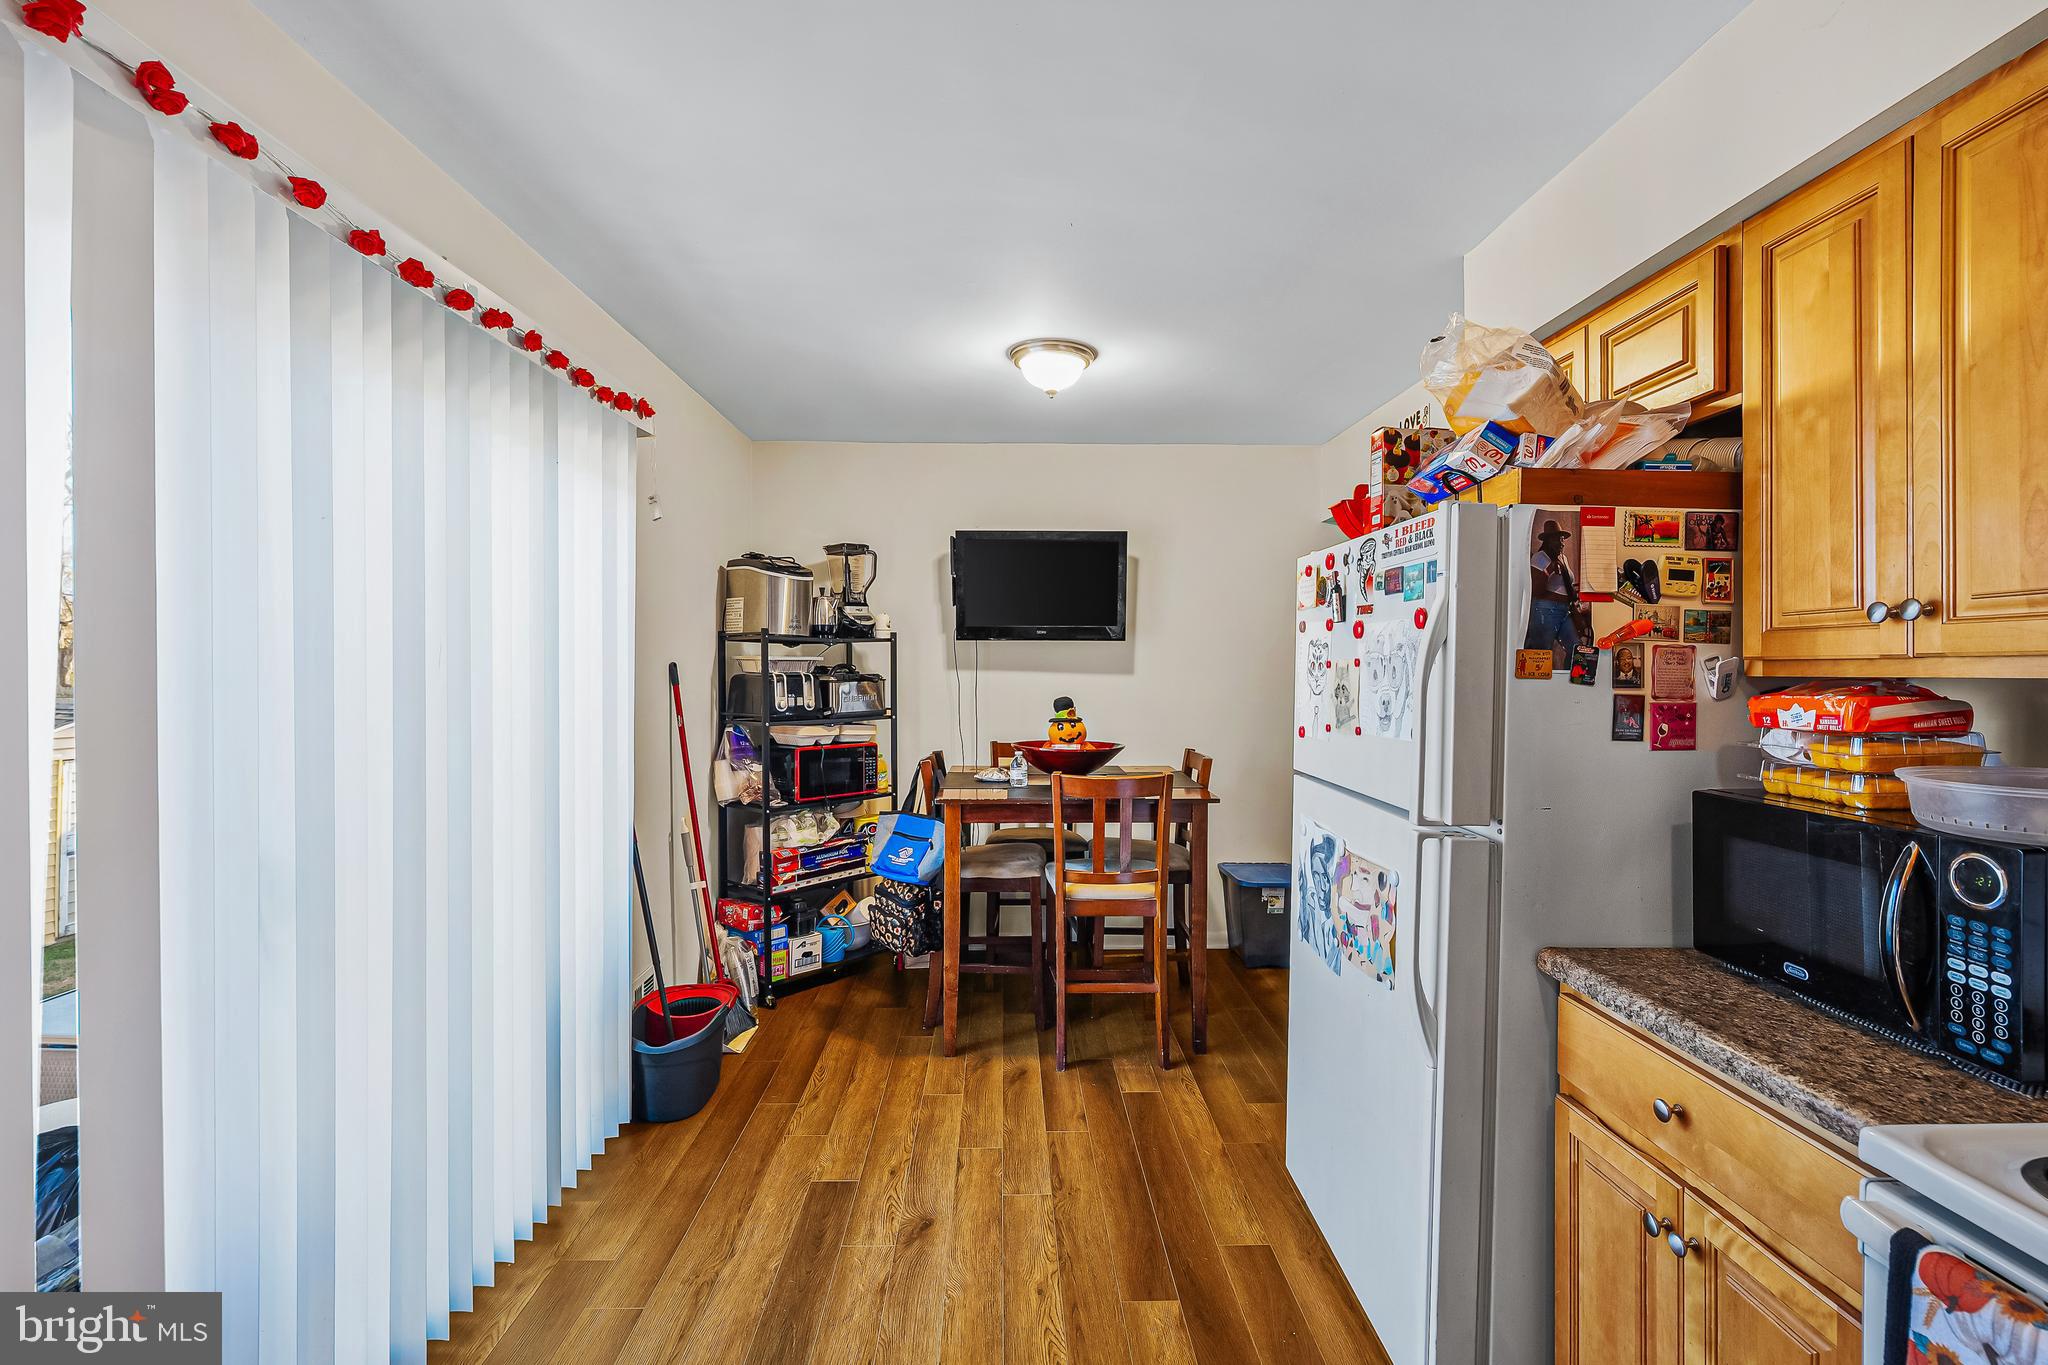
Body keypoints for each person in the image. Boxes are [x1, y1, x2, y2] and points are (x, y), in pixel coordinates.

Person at [1524, 518, 1579, 664]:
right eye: (1557, 539)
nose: (1562, 543)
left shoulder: (1563, 558)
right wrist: (1550, 569)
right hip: (1545, 609)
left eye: (1562, 539)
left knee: (1576, 648)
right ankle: (1541, 686)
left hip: (1564, 610)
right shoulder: (1539, 558)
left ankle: (1569, 684)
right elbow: (1535, 589)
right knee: (1543, 653)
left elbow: (1568, 583)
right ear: (1548, 541)